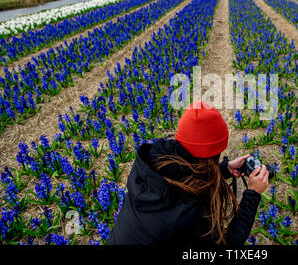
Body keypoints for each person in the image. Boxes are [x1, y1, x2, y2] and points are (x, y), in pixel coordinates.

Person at [108, 101, 269, 245]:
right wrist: (253, 194)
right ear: (210, 158)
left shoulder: (150, 167)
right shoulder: (189, 213)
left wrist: (223, 169)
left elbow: (183, 181)